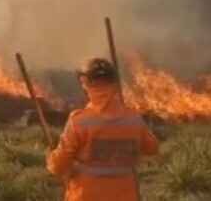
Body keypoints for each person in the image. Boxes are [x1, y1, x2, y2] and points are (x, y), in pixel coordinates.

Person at [47, 58, 158, 201]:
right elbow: (152, 148)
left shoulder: (79, 121)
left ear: (85, 84)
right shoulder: (133, 119)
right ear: (114, 84)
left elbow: (58, 167)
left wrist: (52, 157)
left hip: (86, 196)